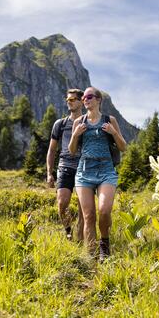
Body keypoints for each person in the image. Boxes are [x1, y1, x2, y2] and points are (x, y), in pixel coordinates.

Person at [68, 87, 127, 261]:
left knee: (104, 210)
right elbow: (72, 151)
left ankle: (104, 243)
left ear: (99, 100)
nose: (85, 99)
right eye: (84, 97)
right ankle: (91, 255)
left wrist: (113, 132)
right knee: (88, 215)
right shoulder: (78, 122)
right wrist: (75, 135)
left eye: (89, 96)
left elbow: (123, 147)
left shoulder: (110, 120)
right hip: (84, 171)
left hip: (106, 170)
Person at [47, 89, 85, 241]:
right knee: (62, 203)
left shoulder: (87, 121)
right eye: (68, 100)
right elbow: (51, 150)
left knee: (84, 208)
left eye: (73, 99)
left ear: (81, 101)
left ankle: (82, 238)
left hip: (84, 167)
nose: (69, 102)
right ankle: (68, 232)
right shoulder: (60, 124)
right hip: (65, 166)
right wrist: (49, 173)